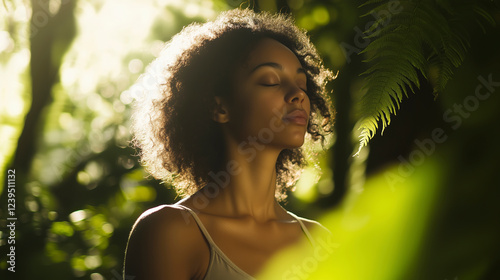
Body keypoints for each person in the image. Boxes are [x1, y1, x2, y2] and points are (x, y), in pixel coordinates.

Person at [124, 8, 334, 280]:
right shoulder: (171, 232)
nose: (298, 95)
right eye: (270, 80)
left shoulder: (321, 241)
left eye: (302, 84)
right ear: (219, 107)